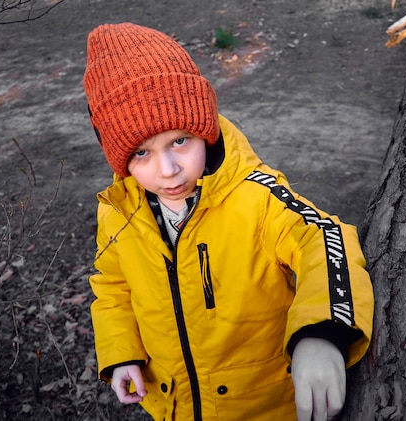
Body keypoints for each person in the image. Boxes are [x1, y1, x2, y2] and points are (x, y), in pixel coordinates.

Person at [83, 22, 374, 421]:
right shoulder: (118, 211)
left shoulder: (253, 195)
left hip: (267, 405)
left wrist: (322, 332)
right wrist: (121, 353)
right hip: (175, 406)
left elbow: (322, 237)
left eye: (179, 141)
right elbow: (112, 286)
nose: (167, 170)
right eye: (141, 153)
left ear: (205, 129)